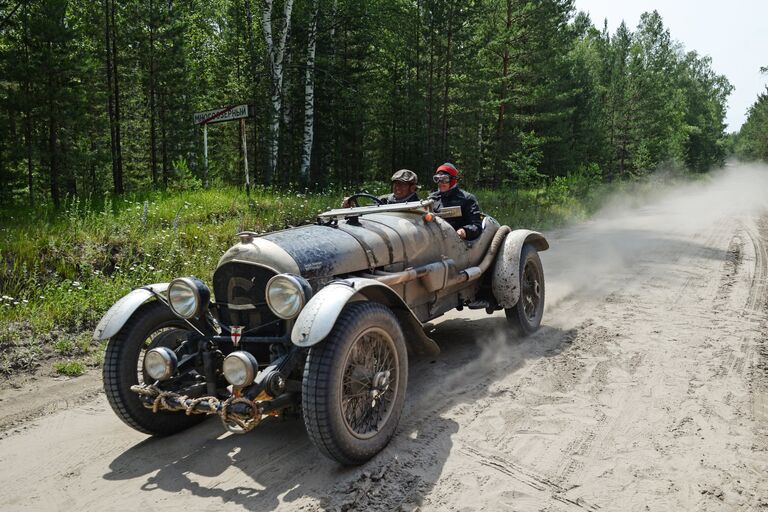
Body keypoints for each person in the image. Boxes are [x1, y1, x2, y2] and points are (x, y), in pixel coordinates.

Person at [428, 162, 482, 241]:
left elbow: (476, 226)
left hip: (458, 243)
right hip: (436, 241)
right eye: (437, 179)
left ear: (453, 180)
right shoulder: (432, 198)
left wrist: (464, 231)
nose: (440, 182)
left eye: (445, 179)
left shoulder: (467, 199)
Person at [342, 169, 420, 207]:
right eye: (396, 184)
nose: (397, 188)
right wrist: (351, 207)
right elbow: (369, 214)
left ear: (412, 188)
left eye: (403, 185)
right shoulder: (384, 200)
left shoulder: (417, 205)